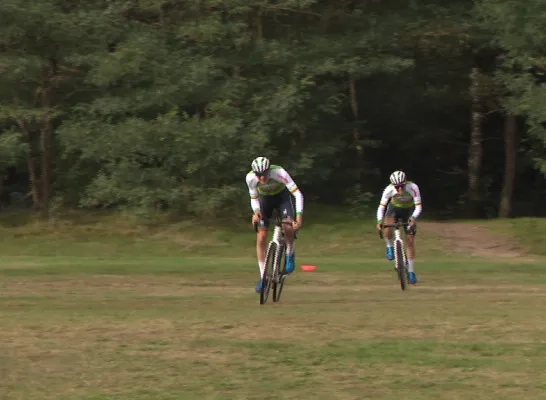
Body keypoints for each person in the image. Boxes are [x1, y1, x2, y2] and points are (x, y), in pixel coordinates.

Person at [246, 157, 304, 293]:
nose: (262, 178)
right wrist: (256, 212)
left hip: (282, 198)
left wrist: (299, 217)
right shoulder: (250, 178)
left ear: (269, 171)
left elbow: (298, 194)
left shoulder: (279, 172)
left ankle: (290, 253)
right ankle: (263, 278)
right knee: (261, 237)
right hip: (265, 200)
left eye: (264, 174)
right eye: (258, 175)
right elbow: (254, 197)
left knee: (287, 226)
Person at [375, 170, 422, 284]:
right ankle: (389, 246)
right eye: (397, 187)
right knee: (388, 225)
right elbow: (381, 207)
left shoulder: (413, 187)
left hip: (408, 211)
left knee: (410, 240)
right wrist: (379, 221)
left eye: (402, 186)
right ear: (393, 186)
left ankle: (411, 272)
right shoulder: (389, 189)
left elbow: (418, 207)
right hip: (394, 209)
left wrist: (413, 218)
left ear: (405, 183)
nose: (400, 189)